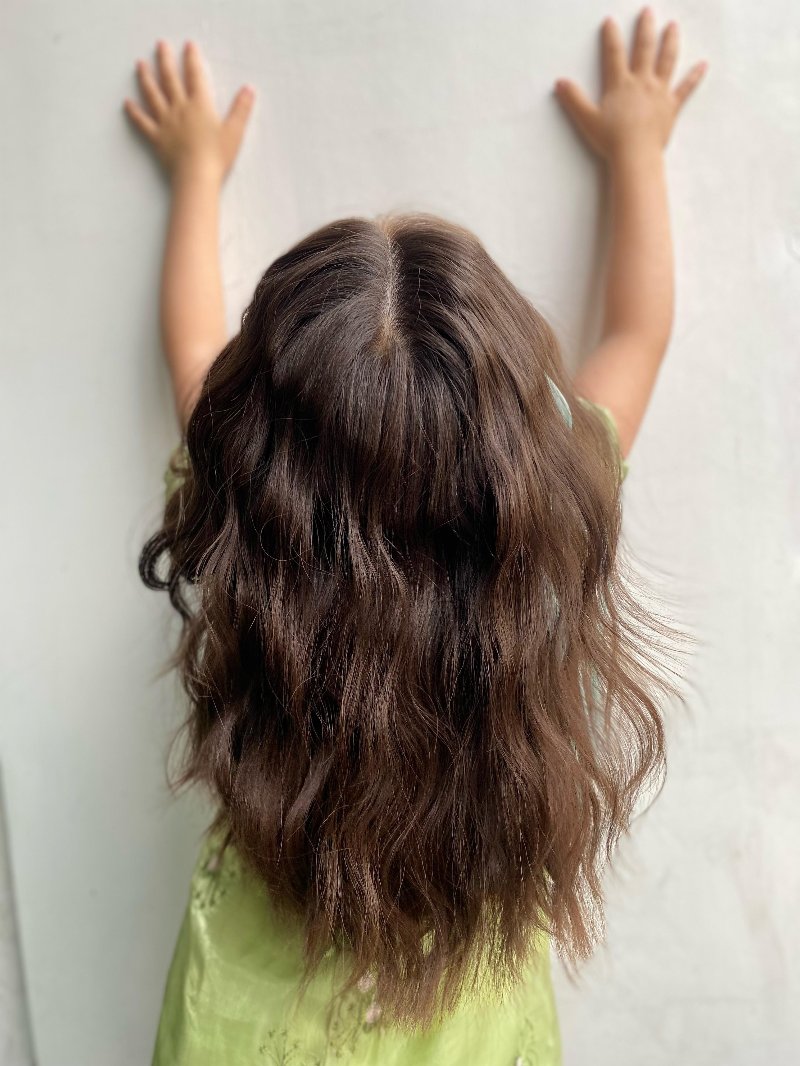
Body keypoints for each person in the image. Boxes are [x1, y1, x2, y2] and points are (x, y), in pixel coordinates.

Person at [126, 8, 706, 1063]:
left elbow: (191, 343)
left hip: (238, 1028)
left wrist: (198, 171)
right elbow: (637, 333)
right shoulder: (556, 491)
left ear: (261, 443)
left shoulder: (243, 496)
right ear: (512, 465)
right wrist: (637, 147)